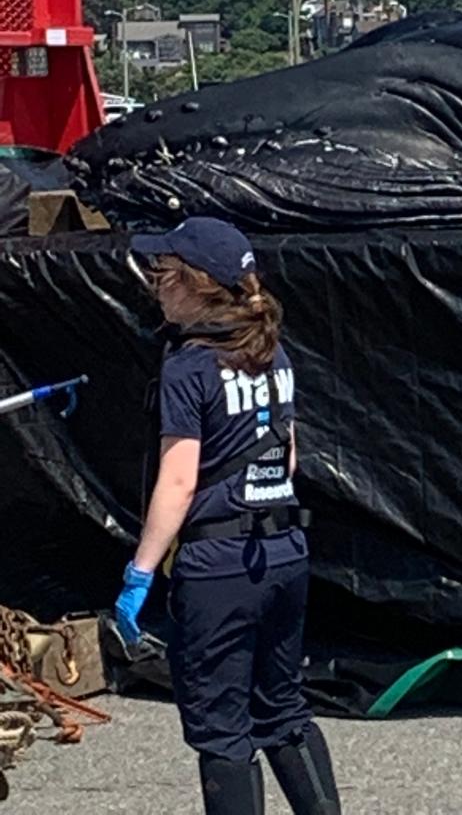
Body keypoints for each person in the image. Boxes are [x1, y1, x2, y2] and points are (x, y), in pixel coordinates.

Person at [114, 216, 341, 815]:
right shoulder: (275, 352)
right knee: (284, 711)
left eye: (164, 275)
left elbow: (180, 479)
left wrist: (140, 572)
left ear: (196, 285)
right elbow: (287, 457)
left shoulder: (188, 367)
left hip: (219, 569)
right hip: (285, 553)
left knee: (222, 731)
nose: (156, 286)